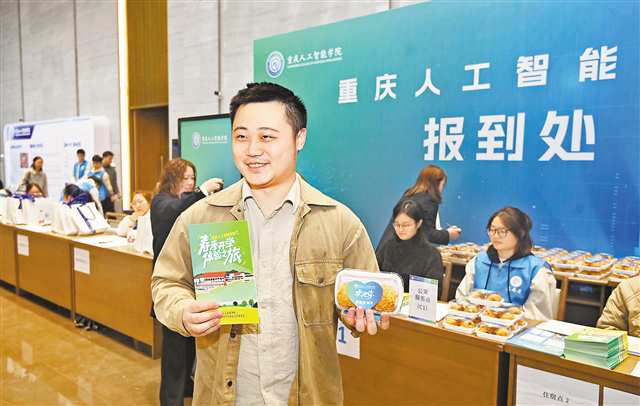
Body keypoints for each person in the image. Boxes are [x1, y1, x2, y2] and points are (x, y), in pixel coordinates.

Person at [151, 82, 390, 406]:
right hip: (222, 396)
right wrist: (182, 310)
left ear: (299, 138)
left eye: (266, 137)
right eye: (241, 136)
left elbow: (365, 302)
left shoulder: (340, 224)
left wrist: (359, 316)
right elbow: (166, 282)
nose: (252, 150)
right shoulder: (203, 216)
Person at [150, 158, 224, 406]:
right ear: (172, 178)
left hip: (195, 285)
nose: (191, 183)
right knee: (174, 353)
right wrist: (202, 191)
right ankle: (171, 399)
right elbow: (175, 210)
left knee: (191, 346)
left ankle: (185, 387)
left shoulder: (193, 203)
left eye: (193, 178)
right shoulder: (162, 202)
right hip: (173, 287)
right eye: (186, 178)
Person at [456, 207, 556, 320]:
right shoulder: (479, 262)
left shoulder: (536, 270)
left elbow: (536, 317)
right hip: (477, 326)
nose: (495, 236)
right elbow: (462, 299)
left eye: (502, 231)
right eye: (492, 230)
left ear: (520, 233)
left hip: (518, 328)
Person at [378, 164, 461, 249]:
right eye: (443, 185)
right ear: (436, 184)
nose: (442, 190)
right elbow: (426, 234)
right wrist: (448, 234)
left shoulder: (409, 195)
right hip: (400, 252)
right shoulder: (429, 201)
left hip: (385, 249)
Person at [376, 199, 444, 296]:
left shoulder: (432, 255)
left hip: (415, 303)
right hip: (387, 301)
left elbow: (433, 293)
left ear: (418, 223)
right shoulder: (388, 246)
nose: (400, 229)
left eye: (406, 225)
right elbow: (374, 275)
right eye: (397, 224)